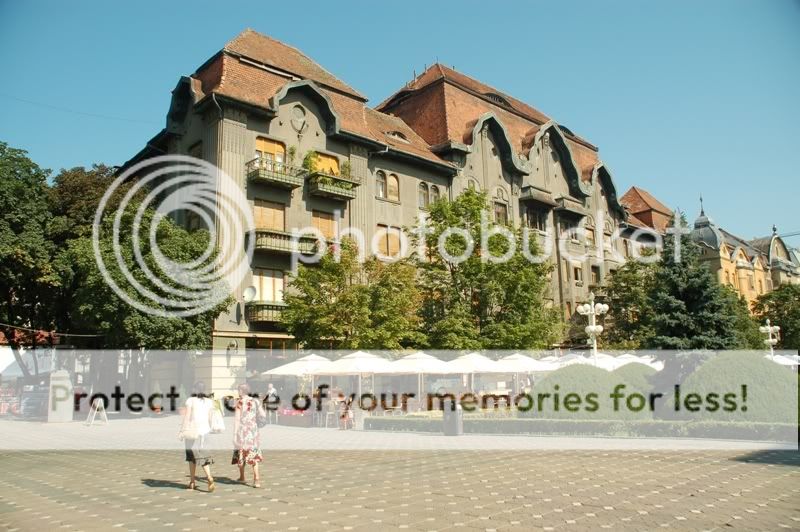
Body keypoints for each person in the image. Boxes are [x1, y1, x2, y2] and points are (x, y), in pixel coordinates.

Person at [180, 381, 216, 492]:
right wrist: (209, 428)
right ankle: (209, 477)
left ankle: (192, 482)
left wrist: (182, 430)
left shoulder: (190, 400)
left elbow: (187, 417)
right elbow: (211, 418)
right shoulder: (209, 402)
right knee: (203, 457)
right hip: (205, 432)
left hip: (193, 432)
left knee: (192, 457)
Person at [232, 383, 265, 488]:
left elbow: (237, 419)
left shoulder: (240, 402)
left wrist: (234, 434)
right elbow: (263, 414)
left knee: (241, 452)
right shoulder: (255, 401)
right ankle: (256, 480)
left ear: (241, 391)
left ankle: (242, 477)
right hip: (253, 431)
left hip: (243, 431)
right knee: (253, 453)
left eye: (238, 390)